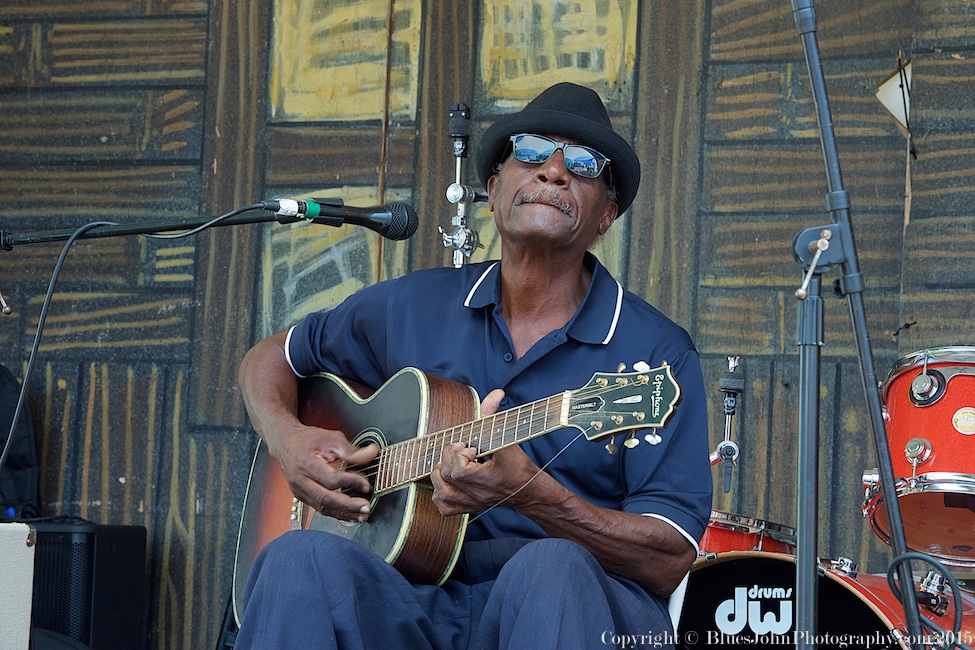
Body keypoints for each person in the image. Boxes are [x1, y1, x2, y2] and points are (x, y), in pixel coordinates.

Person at [234, 82, 712, 649]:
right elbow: (270, 358)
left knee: (549, 569)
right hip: (414, 592)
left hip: (571, 609)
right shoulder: (413, 306)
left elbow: (670, 559)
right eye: (531, 152)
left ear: (607, 215)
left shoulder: (655, 356)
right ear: (492, 187)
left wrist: (532, 494)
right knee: (296, 560)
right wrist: (290, 441)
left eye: (583, 164)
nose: (554, 171)